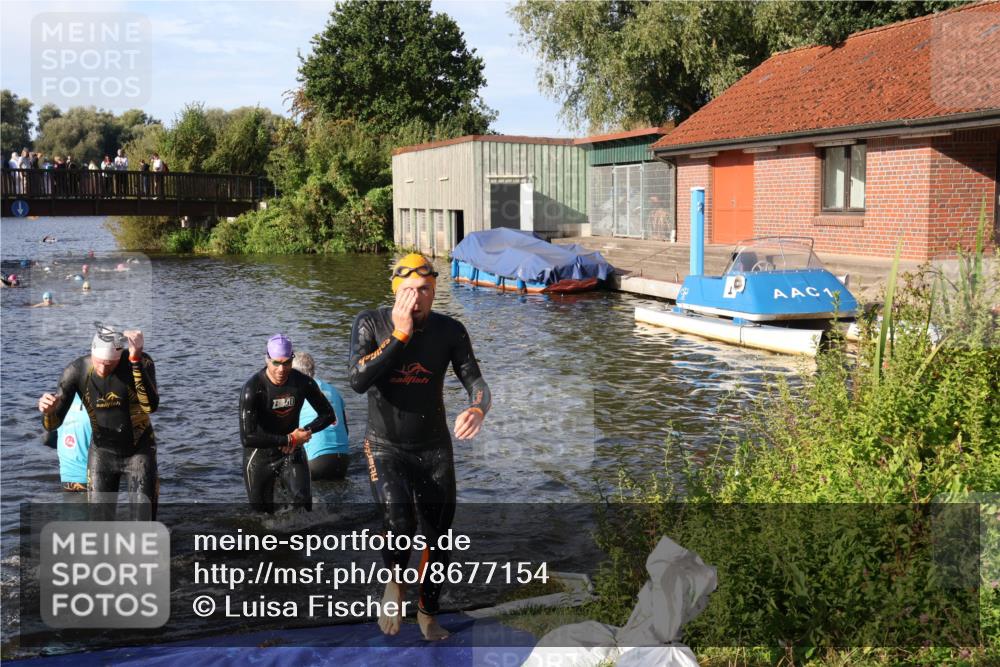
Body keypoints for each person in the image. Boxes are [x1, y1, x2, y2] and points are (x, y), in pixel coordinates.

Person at [348, 253, 491, 641]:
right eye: (409, 290)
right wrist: (399, 335)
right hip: (384, 445)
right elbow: (357, 380)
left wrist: (477, 408)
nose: (417, 298)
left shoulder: (450, 330)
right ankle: (395, 583)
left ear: (435, 290)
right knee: (399, 522)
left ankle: (428, 613)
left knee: (438, 535)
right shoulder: (370, 323)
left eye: (425, 289)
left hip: (433, 447)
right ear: (396, 291)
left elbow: (476, 381)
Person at [38, 327, 160, 519]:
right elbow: (52, 425)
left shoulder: (141, 361)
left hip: (139, 452)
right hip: (102, 454)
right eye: (99, 363)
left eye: (109, 364)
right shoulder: (76, 370)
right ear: (92, 352)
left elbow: (150, 406)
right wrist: (48, 411)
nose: (103, 369)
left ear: (119, 358)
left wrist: (135, 361)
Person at [239, 334, 336, 513]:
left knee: (303, 507)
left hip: (292, 451)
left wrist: (304, 432)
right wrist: (288, 439)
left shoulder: (302, 382)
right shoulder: (253, 388)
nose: (281, 369)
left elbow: (328, 415)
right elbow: (247, 437)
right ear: (267, 359)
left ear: (292, 360)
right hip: (259, 456)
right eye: (276, 363)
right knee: (262, 516)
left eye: (286, 363)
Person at [292, 352, 350, 480]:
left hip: (315, 463)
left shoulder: (297, 391)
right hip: (343, 461)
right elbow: (346, 430)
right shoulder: (333, 390)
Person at [43, 395, 92, 492]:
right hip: (76, 476)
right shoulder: (58, 399)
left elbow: (49, 439)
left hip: (71, 478)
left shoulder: (60, 397)